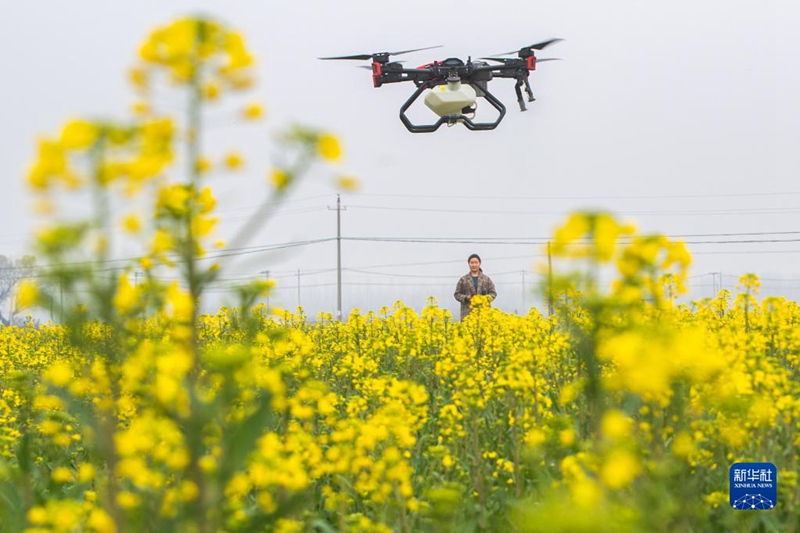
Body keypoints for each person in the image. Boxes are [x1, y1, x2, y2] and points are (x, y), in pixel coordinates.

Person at [454, 253, 497, 320]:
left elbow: (493, 293)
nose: (474, 265)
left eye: (476, 262)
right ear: (469, 264)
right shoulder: (463, 279)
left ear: (479, 264)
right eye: (472, 263)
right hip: (467, 313)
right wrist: (466, 297)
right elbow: (456, 294)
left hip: (483, 313)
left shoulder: (486, 279)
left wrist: (485, 299)